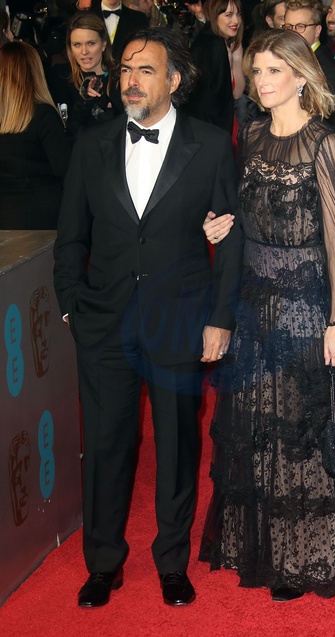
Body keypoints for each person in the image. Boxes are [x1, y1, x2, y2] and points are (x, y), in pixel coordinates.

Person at [199, 28, 335, 601]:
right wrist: (219, 225)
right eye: (256, 71)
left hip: (305, 304)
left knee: (303, 427)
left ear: (302, 76)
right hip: (254, 302)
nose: (261, 82)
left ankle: (308, 555)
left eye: (273, 71)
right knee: (258, 424)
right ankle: (267, 549)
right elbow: (244, 214)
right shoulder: (253, 135)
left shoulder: (324, 144)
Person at [53, 26, 243, 609]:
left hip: (180, 320)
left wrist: (220, 318)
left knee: (178, 445)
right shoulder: (92, 143)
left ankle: (172, 562)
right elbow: (70, 236)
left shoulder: (210, 145)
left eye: (146, 71)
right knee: (105, 446)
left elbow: (231, 239)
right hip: (104, 322)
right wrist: (71, 307)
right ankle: (103, 563)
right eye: (126, 70)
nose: (131, 81)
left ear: (174, 80)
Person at [0, 41, 72, 229]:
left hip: (6, 216)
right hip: (43, 215)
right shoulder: (43, 115)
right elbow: (65, 168)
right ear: (34, 71)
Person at [47, 12, 123, 140]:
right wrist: (85, 102)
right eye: (77, 45)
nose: (84, 51)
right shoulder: (61, 76)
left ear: (103, 45)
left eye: (91, 43)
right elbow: (65, 129)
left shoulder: (119, 77)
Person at [182, 0, 245, 139]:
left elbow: (236, 93)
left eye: (238, 14)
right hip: (213, 131)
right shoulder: (214, 45)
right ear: (214, 16)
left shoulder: (220, 42)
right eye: (229, 15)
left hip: (217, 128)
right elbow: (209, 104)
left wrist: (236, 59)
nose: (236, 20)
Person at [284, 0, 335, 128]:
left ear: (317, 31)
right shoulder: (288, 60)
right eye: (289, 27)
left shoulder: (326, 68)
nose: (293, 32)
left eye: (300, 26)